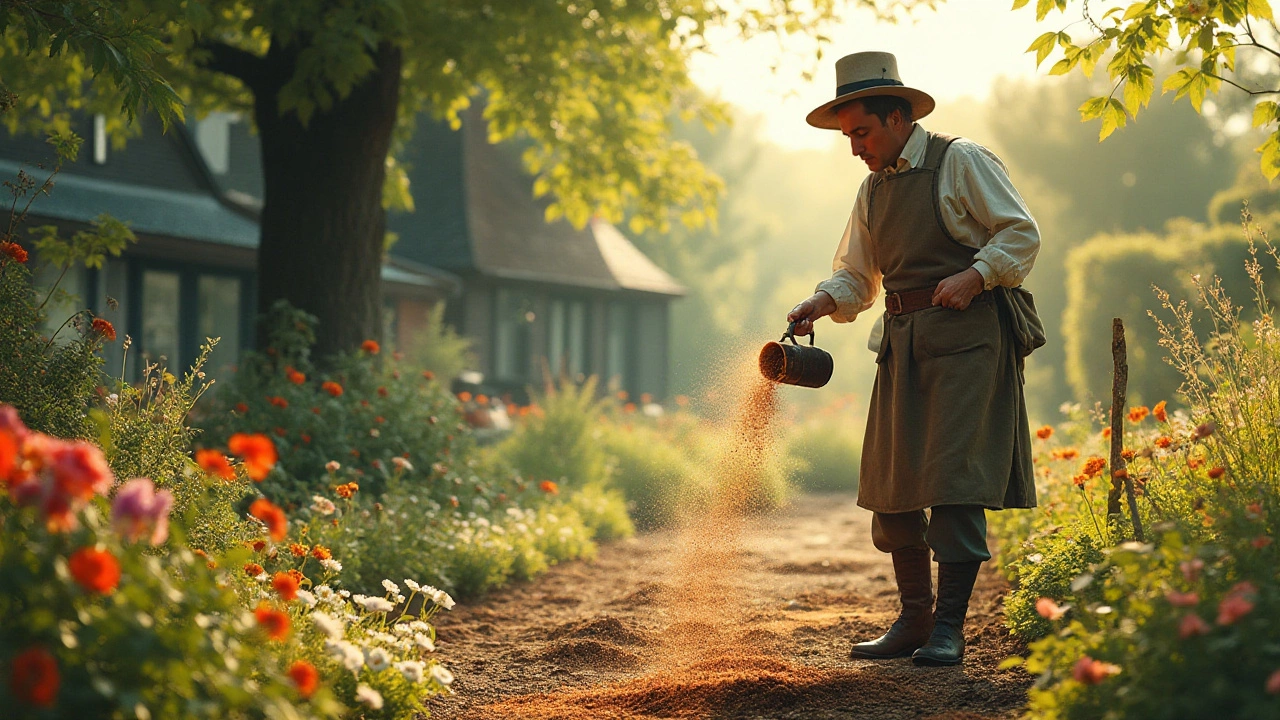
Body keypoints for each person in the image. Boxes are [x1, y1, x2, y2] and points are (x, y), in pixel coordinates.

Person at [787, 51, 1040, 667]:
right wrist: (822, 301)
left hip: (971, 340)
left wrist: (978, 276)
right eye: (848, 136)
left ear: (897, 116)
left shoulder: (962, 161)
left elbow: (1021, 233)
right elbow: (856, 274)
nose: (854, 148)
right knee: (894, 483)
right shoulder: (872, 189)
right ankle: (914, 620)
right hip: (903, 341)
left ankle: (950, 628)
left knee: (954, 483)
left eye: (862, 132)